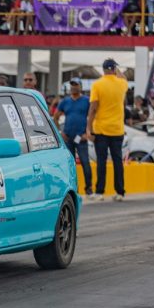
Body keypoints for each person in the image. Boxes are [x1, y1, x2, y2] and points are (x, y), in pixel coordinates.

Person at [85, 58, 129, 201]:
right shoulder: (122, 84)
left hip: (101, 129)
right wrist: (118, 70)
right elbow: (124, 78)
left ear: (103, 69)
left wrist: (88, 128)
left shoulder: (97, 85)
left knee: (101, 161)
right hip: (117, 129)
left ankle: (99, 192)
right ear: (113, 69)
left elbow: (93, 108)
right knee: (117, 161)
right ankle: (120, 192)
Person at [54, 78, 92, 196]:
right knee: (70, 164)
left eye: (76, 85)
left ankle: (88, 188)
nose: (74, 87)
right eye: (72, 85)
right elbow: (55, 117)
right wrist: (60, 132)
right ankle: (72, 188)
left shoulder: (86, 100)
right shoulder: (65, 101)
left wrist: (88, 133)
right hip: (68, 137)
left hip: (81, 138)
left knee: (85, 162)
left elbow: (92, 117)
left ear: (81, 87)